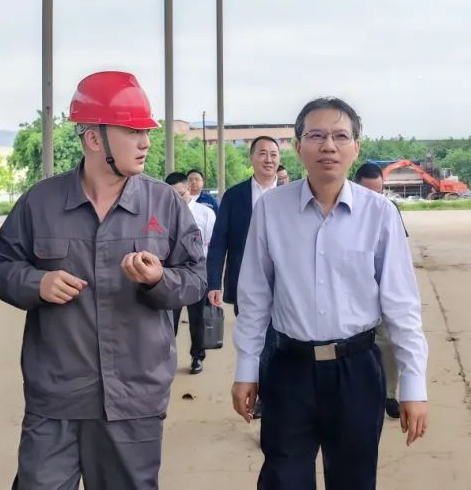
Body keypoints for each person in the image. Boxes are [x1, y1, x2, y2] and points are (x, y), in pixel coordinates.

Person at [0, 71, 206, 490]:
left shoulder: (164, 203)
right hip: (57, 397)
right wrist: (37, 284)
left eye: (146, 132)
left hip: (134, 398)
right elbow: (0, 267)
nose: (145, 142)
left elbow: (196, 278)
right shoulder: (41, 202)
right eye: (133, 131)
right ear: (93, 139)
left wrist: (159, 279)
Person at [232, 97, 429, 490]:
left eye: (340, 136)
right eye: (316, 136)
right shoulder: (272, 209)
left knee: (354, 480)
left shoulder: (379, 214)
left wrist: (413, 384)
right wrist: (246, 369)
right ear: (298, 146)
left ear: (355, 147)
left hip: (356, 371)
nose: (328, 146)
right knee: (283, 480)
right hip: (289, 369)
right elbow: (255, 296)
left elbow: (401, 305)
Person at [206, 135, 281, 419]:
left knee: (276, 342)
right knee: (256, 340)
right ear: (252, 158)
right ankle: (262, 393)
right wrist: (214, 282)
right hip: (245, 283)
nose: (268, 159)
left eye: (273, 154)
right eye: (262, 153)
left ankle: (271, 395)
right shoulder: (234, 196)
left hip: (285, 285)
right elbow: (219, 241)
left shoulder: (292, 195)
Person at [353, 161, 405, 420]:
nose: (375, 198)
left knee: (389, 343)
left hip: (381, 293)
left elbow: (397, 258)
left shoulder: (388, 210)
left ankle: (389, 394)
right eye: (368, 191)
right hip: (352, 295)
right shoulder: (341, 210)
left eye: (379, 192)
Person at [164, 172, 217, 374]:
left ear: (188, 189)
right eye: (173, 195)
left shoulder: (205, 213)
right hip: (172, 274)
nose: (177, 198)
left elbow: (213, 247)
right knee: (169, 320)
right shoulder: (163, 213)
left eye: (180, 193)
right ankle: (166, 358)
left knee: (197, 319)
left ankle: (197, 357)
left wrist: (212, 280)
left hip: (197, 273)